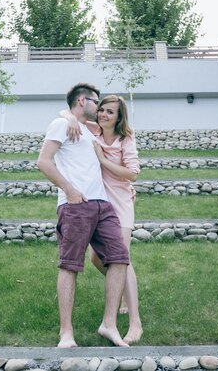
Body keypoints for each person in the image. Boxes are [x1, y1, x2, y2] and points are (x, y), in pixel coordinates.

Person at [36, 83, 130, 348]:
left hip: (103, 206)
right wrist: (69, 189)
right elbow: (43, 161)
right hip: (75, 205)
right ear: (81, 100)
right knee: (70, 265)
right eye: (96, 102)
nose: (99, 108)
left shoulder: (88, 130)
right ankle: (66, 333)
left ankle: (108, 324)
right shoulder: (61, 124)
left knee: (120, 259)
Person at [62, 94, 142, 345]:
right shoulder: (94, 131)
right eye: (102, 110)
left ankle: (134, 323)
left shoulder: (125, 138)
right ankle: (118, 295)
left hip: (120, 201)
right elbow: (69, 113)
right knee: (97, 257)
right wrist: (67, 116)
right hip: (99, 200)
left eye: (110, 112)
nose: (104, 115)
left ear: (119, 117)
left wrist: (103, 160)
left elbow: (133, 174)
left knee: (122, 257)